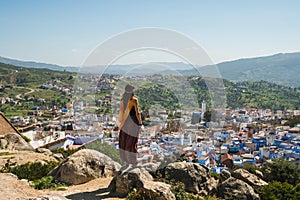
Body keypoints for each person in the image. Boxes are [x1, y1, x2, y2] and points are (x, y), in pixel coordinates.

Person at [118, 84, 142, 166]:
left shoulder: (122, 101)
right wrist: (140, 123)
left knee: (124, 140)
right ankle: (132, 160)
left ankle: (125, 160)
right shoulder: (133, 101)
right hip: (133, 123)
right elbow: (137, 113)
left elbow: (121, 114)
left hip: (125, 124)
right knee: (132, 141)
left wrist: (119, 124)